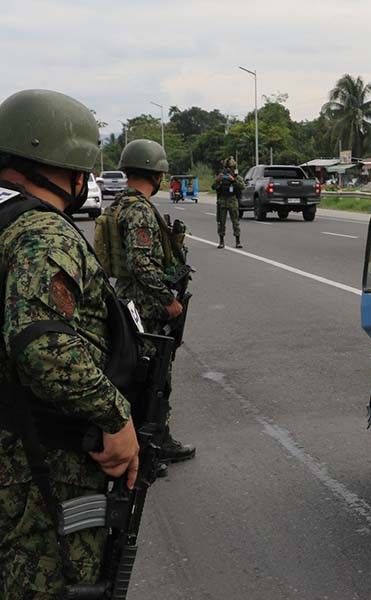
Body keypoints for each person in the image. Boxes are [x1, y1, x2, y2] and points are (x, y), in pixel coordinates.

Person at [0, 89, 139, 597]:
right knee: (54, 580)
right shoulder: (44, 233)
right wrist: (115, 417)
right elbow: (42, 345)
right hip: (39, 455)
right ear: (71, 168)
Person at [111, 139, 196, 466]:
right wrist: (167, 300)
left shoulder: (120, 203)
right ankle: (151, 447)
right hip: (145, 306)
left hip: (129, 300)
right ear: (155, 173)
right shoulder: (139, 210)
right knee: (154, 376)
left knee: (142, 374)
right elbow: (141, 262)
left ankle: (153, 441)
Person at [212, 156, 244, 248]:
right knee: (221, 222)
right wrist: (218, 180)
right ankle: (221, 241)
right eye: (227, 168)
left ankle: (237, 241)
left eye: (231, 168)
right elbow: (213, 187)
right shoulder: (221, 176)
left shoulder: (236, 177)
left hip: (232, 200)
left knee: (235, 222)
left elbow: (242, 187)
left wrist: (233, 180)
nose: (229, 170)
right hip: (222, 200)